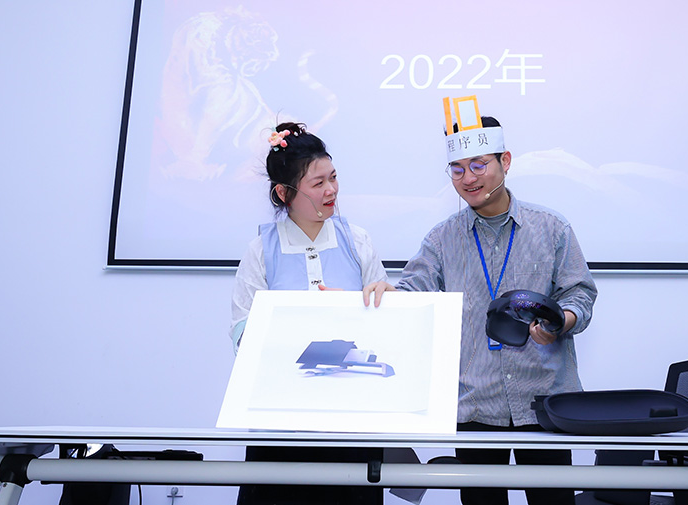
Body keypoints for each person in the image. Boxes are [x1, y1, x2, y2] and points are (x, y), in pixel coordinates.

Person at [363, 109, 597, 505]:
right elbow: (415, 290)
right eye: (457, 169)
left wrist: (561, 321)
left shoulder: (552, 227)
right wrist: (391, 293)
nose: (468, 178)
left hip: (543, 401)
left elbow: (580, 293)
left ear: (505, 161)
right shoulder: (441, 239)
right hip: (474, 404)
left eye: (478, 164)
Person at [230, 121, 388, 505]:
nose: (331, 190)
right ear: (284, 193)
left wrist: (377, 304)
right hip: (280, 426)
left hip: (353, 425)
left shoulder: (357, 240)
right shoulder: (260, 251)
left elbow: (385, 322)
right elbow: (242, 335)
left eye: (333, 177)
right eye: (318, 183)